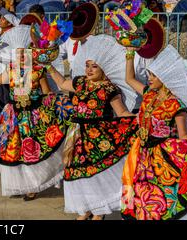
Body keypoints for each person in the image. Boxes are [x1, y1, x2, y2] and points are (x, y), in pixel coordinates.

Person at [48, 35, 138, 220]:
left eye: (94, 66)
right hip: (75, 134)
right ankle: (86, 209)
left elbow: (121, 113)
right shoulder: (80, 82)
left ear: (104, 68)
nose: (89, 70)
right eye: (87, 65)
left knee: (96, 174)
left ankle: (99, 212)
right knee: (76, 173)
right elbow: (62, 83)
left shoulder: (109, 89)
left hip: (96, 137)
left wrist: (140, 119)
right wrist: (47, 65)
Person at [0, 26, 74, 201]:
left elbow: (46, 91)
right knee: (13, 151)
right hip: (14, 115)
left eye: (24, 52)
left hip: (32, 115)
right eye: (18, 53)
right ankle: (21, 185)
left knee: (31, 150)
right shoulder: (11, 69)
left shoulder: (37, 69)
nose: (21, 56)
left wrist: (54, 107)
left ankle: (34, 186)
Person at [123, 45, 187, 220]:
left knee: (161, 200)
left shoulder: (176, 105)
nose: (149, 78)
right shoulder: (149, 94)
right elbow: (129, 79)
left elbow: (182, 134)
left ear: (165, 78)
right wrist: (129, 52)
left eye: (153, 75)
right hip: (142, 155)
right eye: (149, 74)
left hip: (161, 157)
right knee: (140, 198)